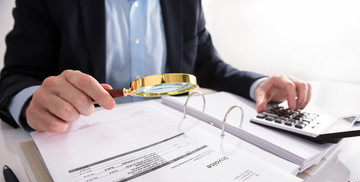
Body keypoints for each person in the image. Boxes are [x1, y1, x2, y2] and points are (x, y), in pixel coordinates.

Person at [0, 0, 311, 133]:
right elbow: (16, 77)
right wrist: (30, 102)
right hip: (82, 145)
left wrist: (258, 84)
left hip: (173, 140)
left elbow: (207, 65)